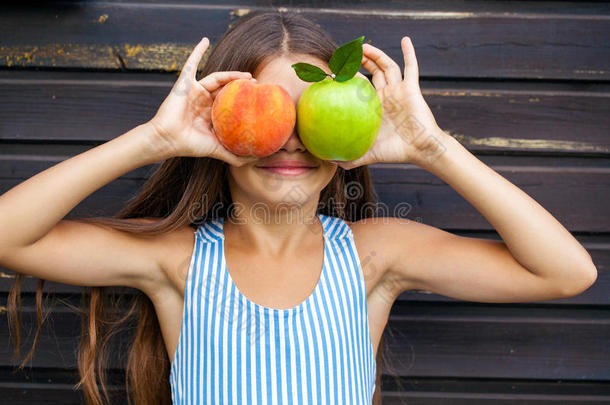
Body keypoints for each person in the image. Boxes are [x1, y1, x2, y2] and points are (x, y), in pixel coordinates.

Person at [0, 10, 597, 405]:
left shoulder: (374, 255)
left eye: (310, 116)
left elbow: (566, 272)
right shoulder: (178, 263)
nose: (288, 139)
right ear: (218, 125)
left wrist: (431, 147)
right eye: (266, 112)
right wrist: (154, 139)